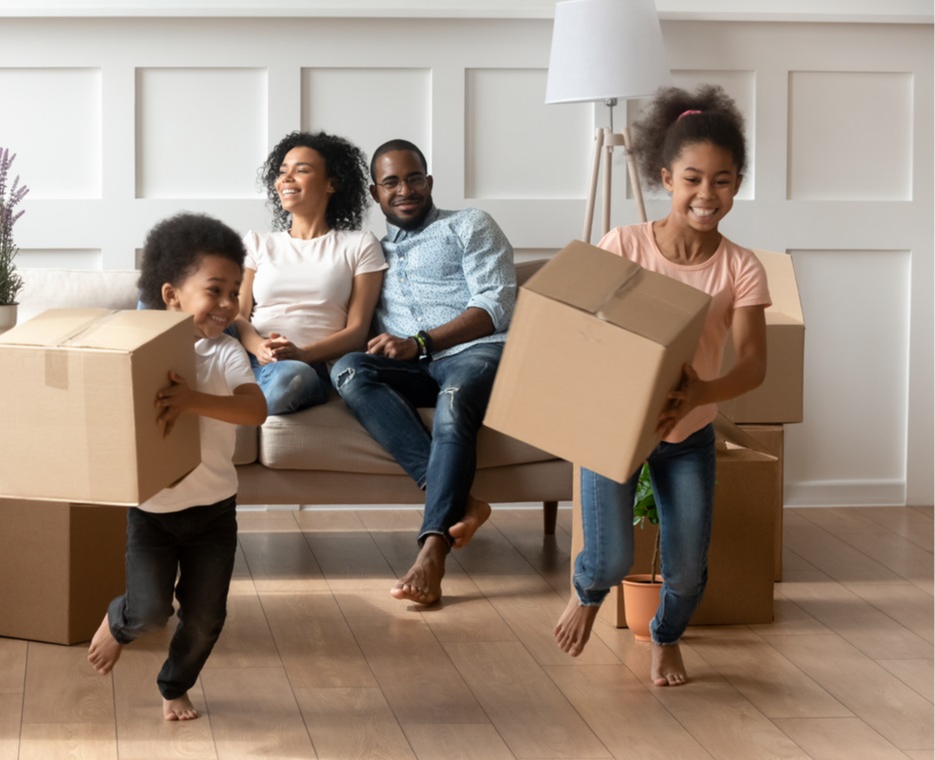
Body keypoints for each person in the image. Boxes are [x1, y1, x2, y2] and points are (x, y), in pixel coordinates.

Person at [553, 85, 770, 687]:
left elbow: (753, 364)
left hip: (688, 431)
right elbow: (579, 333)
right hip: (615, 428)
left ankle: (665, 636)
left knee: (688, 571)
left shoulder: (740, 267)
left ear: (737, 182)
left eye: (723, 181)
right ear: (665, 177)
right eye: (693, 179)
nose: (707, 195)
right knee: (611, 559)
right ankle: (589, 593)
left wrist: (702, 392)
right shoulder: (624, 244)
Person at [88, 213, 267, 720]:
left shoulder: (225, 352)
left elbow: (255, 410)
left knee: (207, 617)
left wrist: (191, 400)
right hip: (152, 511)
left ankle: (174, 685)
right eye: (215, 290)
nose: (229, 304)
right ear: (172, 295)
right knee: (149, 611)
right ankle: (118, 620)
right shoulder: (137, 351)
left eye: (235, 291)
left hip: (214, 510)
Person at [330, 139, 517, 606]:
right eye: (391, 182)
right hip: (412, 367)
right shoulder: (370, 252)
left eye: (414, 178)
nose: (404, 189)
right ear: (376, 193)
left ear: (429, 182)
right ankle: (460, 500)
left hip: (476, 353)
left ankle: (432, 550)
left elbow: (496, 305)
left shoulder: (468, 224)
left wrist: (421, 342)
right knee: (350, 370)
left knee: (455, 403)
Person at [234, 131, 387, 415]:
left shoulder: (359, 244)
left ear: (332, 183)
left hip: (307, 368)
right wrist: (260, 348)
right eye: (282, 172)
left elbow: (356, 333)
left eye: (301, 170)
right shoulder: (258, 242)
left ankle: (233, 403)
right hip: (252, 359)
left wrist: (301, 354)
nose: (285, 179)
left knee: (291, 378)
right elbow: (239, 315)